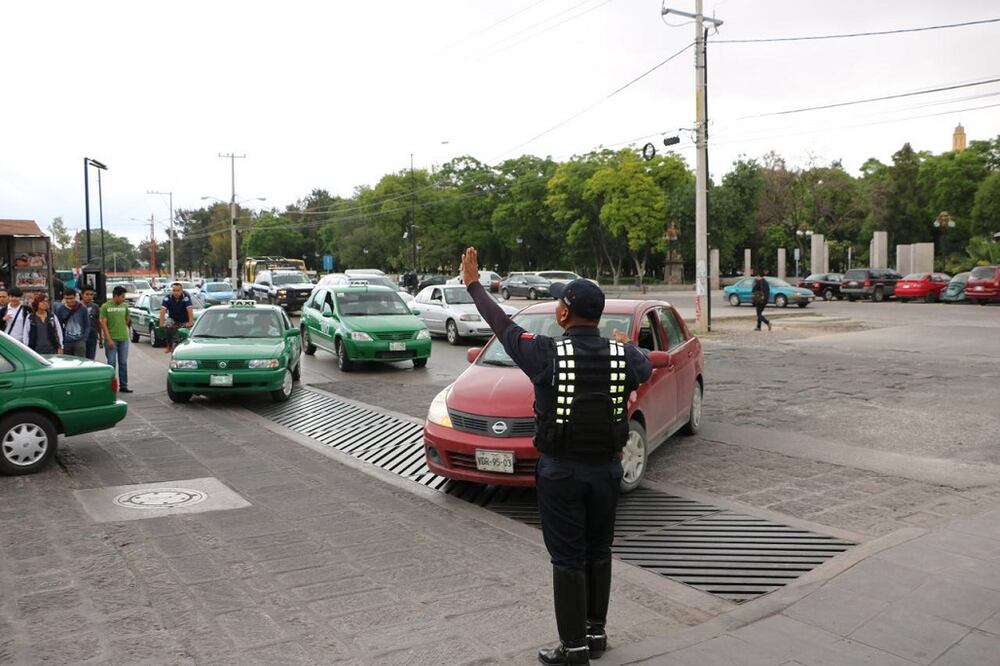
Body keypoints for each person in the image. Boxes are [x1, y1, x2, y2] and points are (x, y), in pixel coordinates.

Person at [460, 247, 652, 665]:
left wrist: (474, 286)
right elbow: (644, 367)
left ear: (565, 314)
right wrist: (624, 345)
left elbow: (504, 327)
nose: (558, 308)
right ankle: (595, 633)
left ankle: (574, 648)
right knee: (599, 551)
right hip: (606, 471)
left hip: (561, 472)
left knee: (567, 557)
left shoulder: (547, 354)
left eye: (561, 302)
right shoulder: (623, 356)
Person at [100, 285, 132, 393]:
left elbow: (127, 319)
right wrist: (108, 339)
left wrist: (123, 327)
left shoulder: (124, 306)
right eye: (122, 296)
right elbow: (103, 324)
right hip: (112, 339)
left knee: (123, 362)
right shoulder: (105, 306)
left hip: (124, 338)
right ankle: (111, 386)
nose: (124, 299)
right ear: (116, 296)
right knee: (111, 363)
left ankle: (124, 385)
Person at [54, 288, 90, 357]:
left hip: (79, 341)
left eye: (71, 298)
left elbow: (87, 325)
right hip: (66, 342)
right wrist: (61, 341)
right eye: (67, 299)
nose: (69, 301)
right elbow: (59, 327)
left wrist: (84, 339)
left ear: (75, 297)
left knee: (80, 363)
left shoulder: (82, 308)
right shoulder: (60, 310)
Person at [160, 282, 194, 353]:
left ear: (181, 290)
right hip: (173, 318)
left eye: (178, 290)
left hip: (184, 319)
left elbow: (190, 310)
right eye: (174, 290)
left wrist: (190, 322)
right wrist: (162, 323)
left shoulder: (186, 296)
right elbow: (163, 310)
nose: (176, 292)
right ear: (172, 290)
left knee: (191, 331)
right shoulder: (167, 298)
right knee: (168, 325)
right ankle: (169, 346)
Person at [81, 286, 102, 360]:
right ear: (82, 295)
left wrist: (101, 338)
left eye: (91, 294)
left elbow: (98, 322)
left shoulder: (95, 307)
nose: (89, 296)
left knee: (91, 358)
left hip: (92, 336)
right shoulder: (77, 306)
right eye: (87, 294)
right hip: (80, 337)